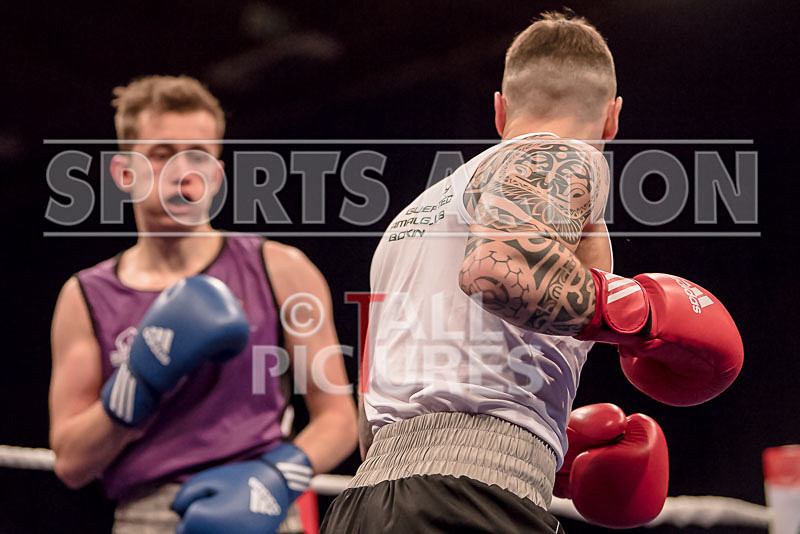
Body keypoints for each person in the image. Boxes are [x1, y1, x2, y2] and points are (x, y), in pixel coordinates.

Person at [321, 11, 742, 533]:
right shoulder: (568, 155)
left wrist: (547, 449)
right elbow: (499, 270)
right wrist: (638, 315)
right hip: (466, 503)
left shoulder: (409, 222)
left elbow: (374, 421)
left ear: (499, 111)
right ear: (613, 117)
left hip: (365, 505)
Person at [49, 75, 358, 534]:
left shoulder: (280, 269)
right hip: (145, 513)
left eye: (197, 154)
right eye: (160, 153)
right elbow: (71, 461)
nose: (181, 170)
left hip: (263, 503)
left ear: (216, 172)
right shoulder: (86, 295)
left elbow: (338, 418)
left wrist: (275, 479)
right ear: (124, 172)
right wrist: (136, 386)